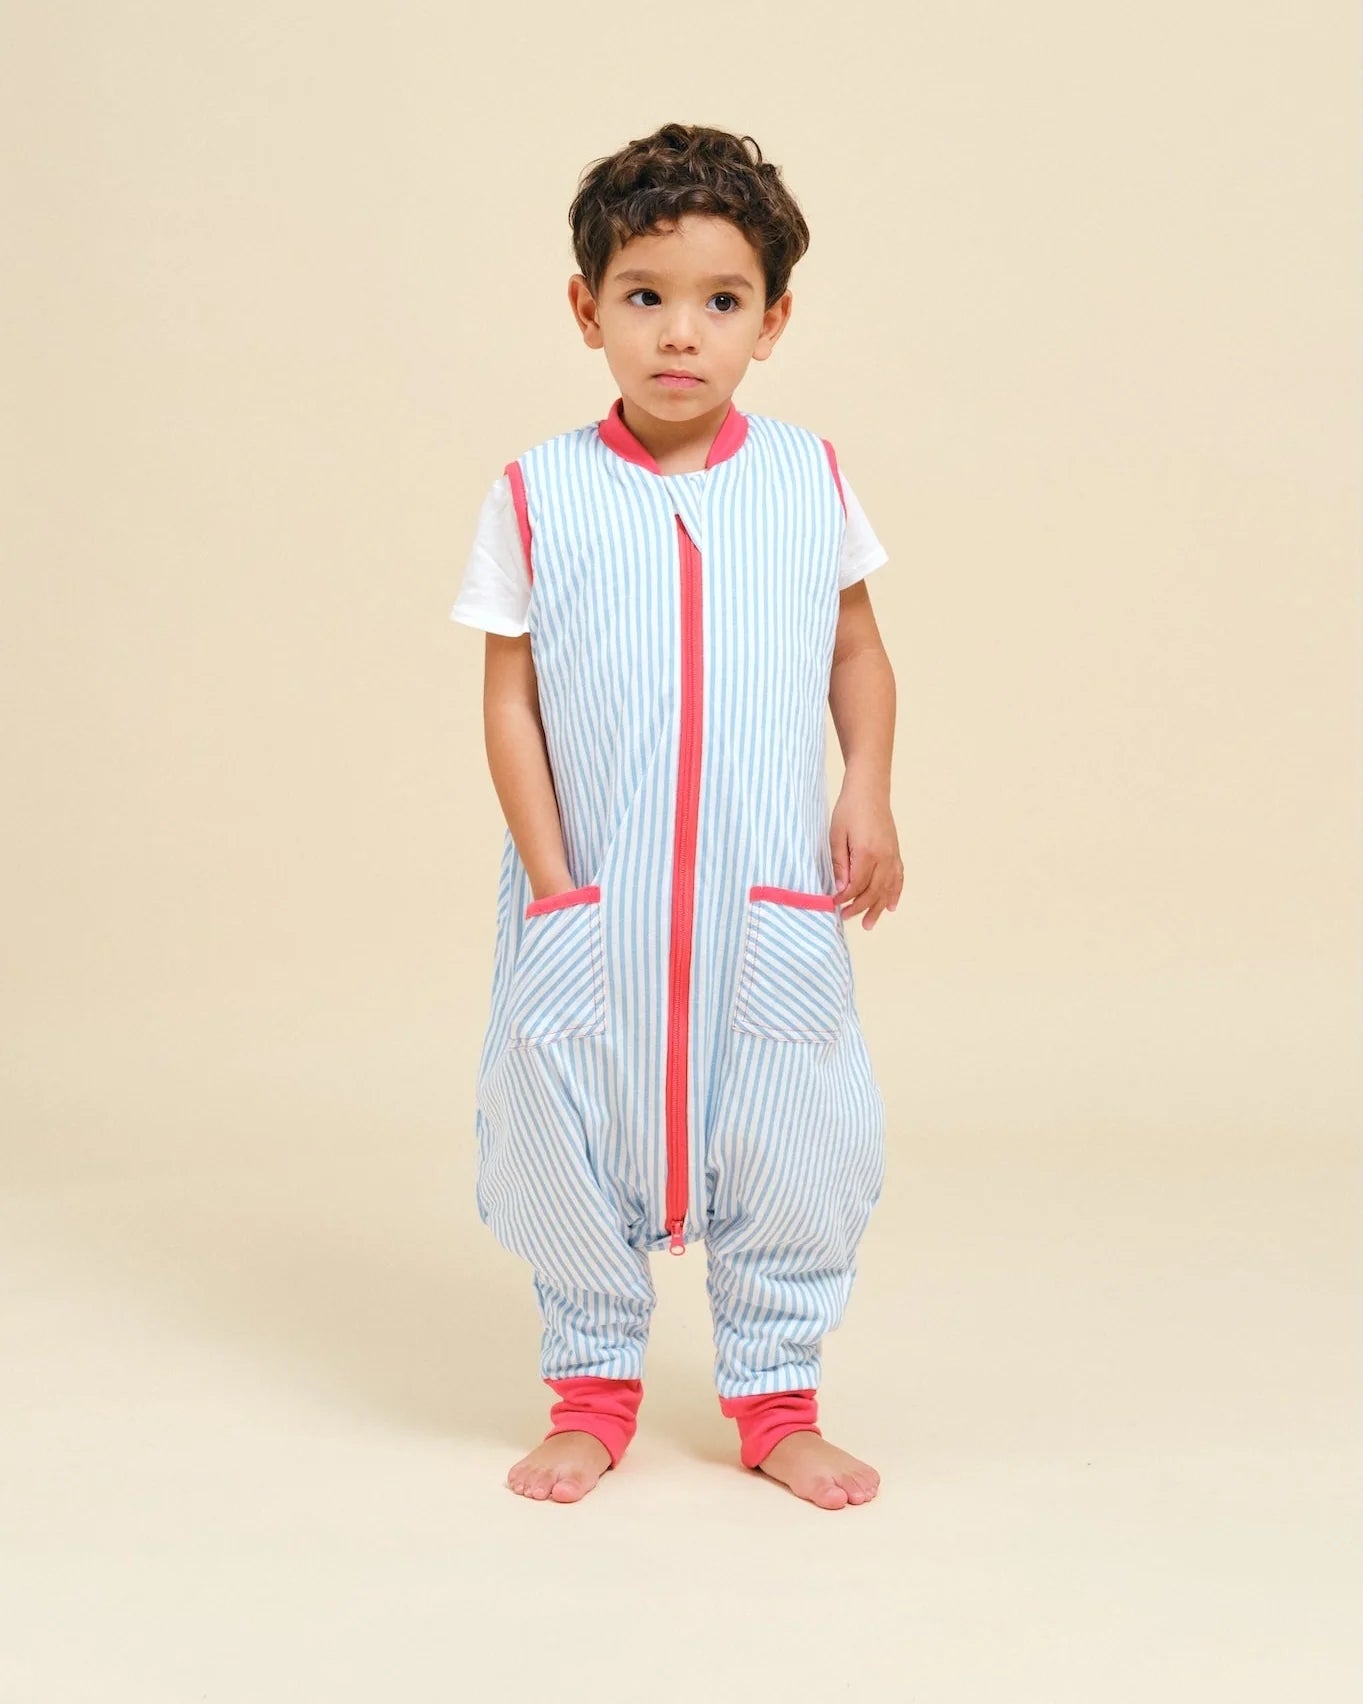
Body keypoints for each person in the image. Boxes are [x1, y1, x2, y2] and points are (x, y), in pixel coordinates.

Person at [449, 122, 903, 1509]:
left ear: (773, 321)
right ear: (587, 308)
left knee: (796, 1132)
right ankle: (591, 1393)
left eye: (721, 300)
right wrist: (554, 883)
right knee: (566, 1128)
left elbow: (857, 650)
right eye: (644, 295)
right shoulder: (538, 492)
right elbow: (511, 698)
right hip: (597, 890)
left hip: (767, 893)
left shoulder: (808, 477)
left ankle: (777, 1400)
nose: (680, 333)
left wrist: (867, 787)